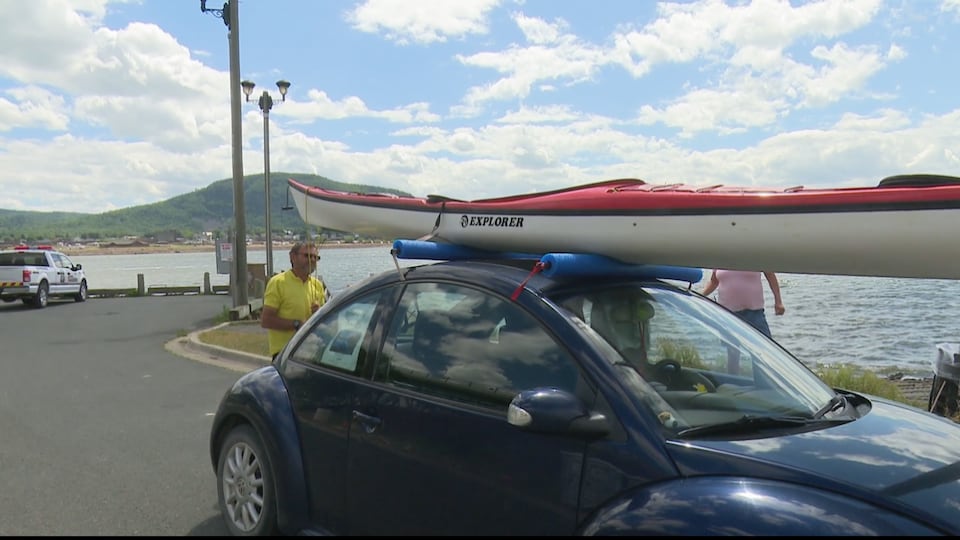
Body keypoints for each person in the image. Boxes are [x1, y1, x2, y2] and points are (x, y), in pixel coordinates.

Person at [261, 241, 329, 360]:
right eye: (307, 256)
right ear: (292, 257)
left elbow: (325, 322)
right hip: (285, 353)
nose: (312, 260)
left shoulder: (317, 285)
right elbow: (266, 320)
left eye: (315, 257)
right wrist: (296, 324)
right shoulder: (278, 282)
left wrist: (319, 313)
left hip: (312, 351)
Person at [700, 269, 785, 338]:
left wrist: (778, 301)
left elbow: (770, 275)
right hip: (728, 314)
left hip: (754, 313)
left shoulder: (752, 254)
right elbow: (714, 282)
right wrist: (700, 295)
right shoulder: (720, 258)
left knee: (764, 349)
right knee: (732, 351)